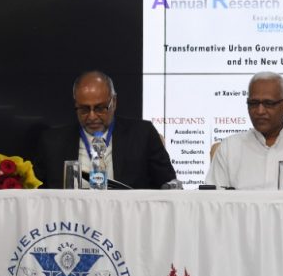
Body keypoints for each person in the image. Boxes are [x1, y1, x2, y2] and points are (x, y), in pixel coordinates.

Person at [36, 71, 177, 189]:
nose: (92, 116)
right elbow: (35, 195)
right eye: (84, 109)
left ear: (113, 102)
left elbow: (169, 184)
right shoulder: (52, 142)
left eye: (100, 108)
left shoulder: (142, 135)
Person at [206, 71, 283, 190]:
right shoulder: (229, 148)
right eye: (253, 103)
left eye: (268, 103)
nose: (260, 111)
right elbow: (212, 200)